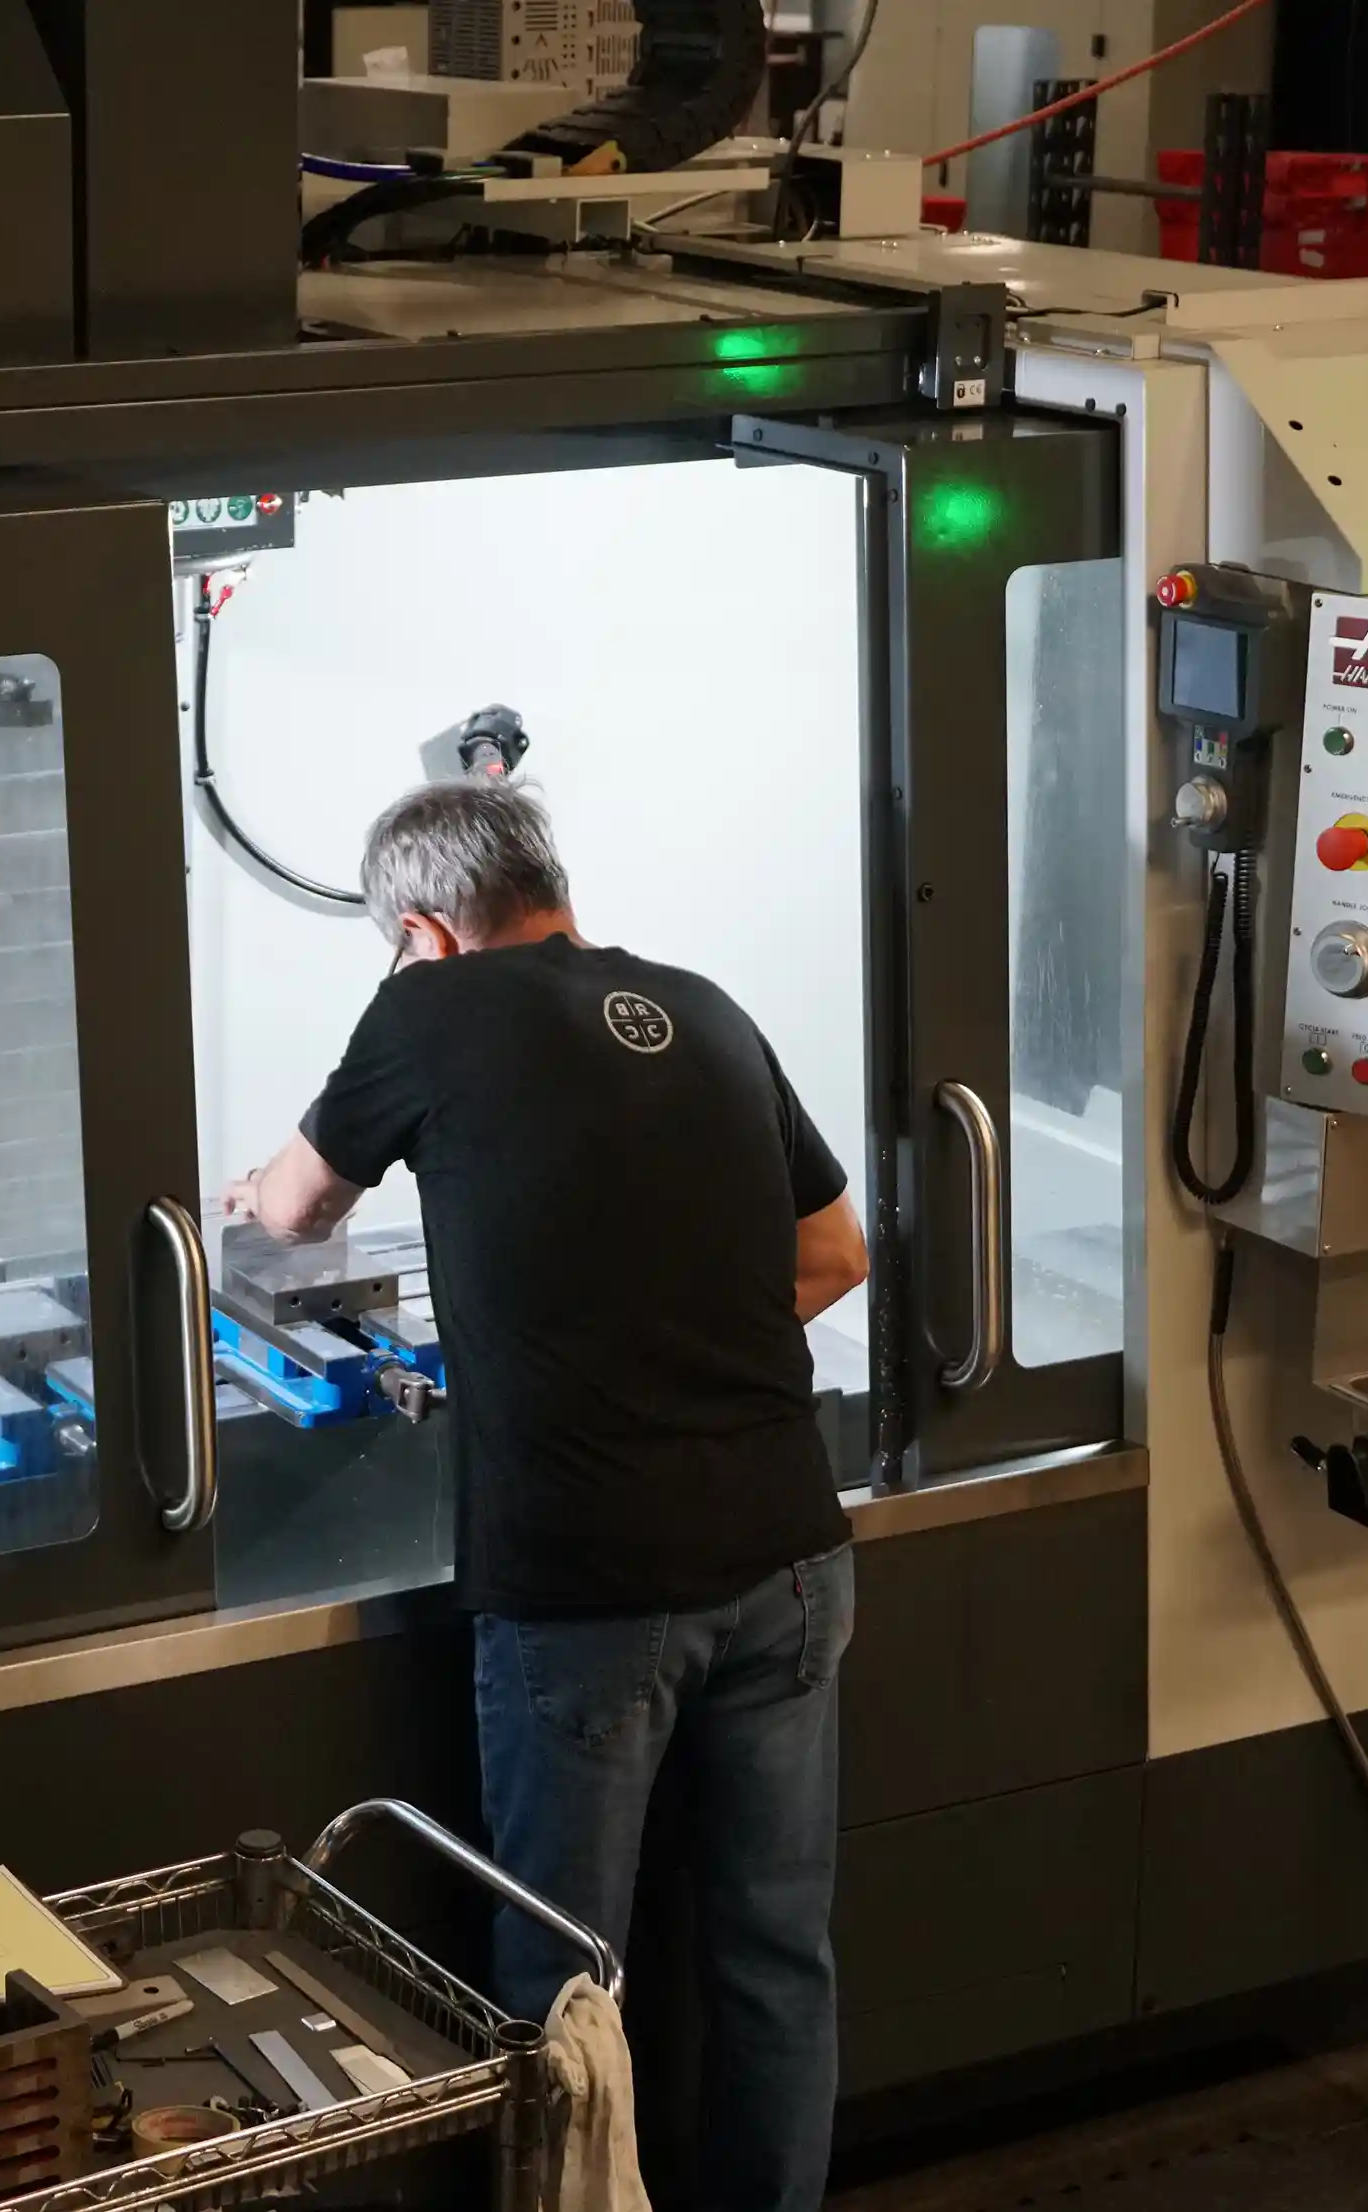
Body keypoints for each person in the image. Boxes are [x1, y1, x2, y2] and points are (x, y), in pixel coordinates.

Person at [224, 778, 868, 2212]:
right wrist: (674, 1331)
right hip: (792, 1560)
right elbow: (836, 1251)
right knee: (774, 1952)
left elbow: (291, 1209)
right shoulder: (702, 1004)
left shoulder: (425, 1012)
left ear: (425, 930)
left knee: (562, 1981)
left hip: (594, 1590)